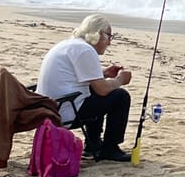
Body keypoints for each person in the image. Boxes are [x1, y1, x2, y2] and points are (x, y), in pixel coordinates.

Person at [36, 14, 133, 162]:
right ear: (99, 34)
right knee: (120, 96)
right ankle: (110, 148)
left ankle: (92, 144)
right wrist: (120, 80)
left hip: (49, 108)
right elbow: (102, 89)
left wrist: (102, 73)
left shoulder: (70, 45)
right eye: (109, 36)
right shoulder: (85, 50)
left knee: (94, 91)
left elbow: (76, 77)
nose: (109, 43)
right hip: (64, 111)